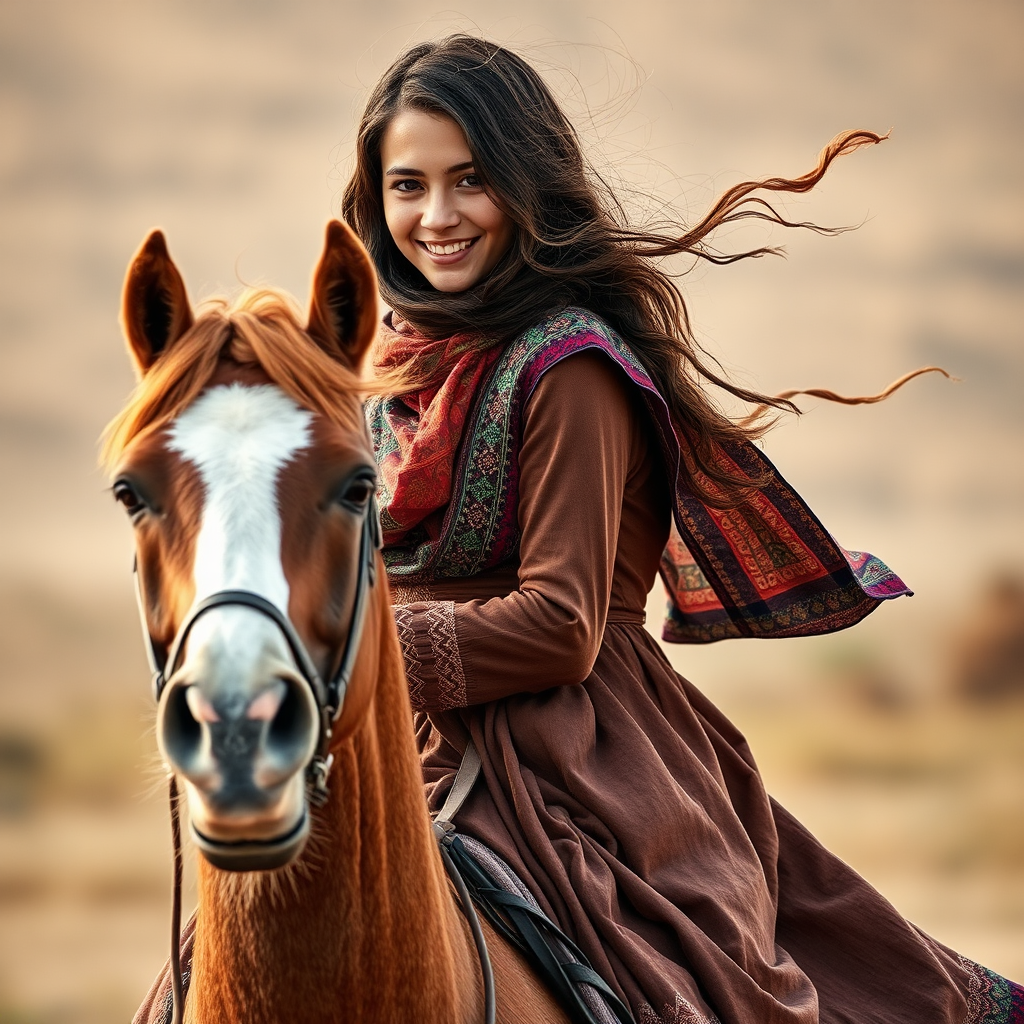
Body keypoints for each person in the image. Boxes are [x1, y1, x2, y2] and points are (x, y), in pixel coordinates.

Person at [343, 35, 1023, 1024]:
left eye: (470, 180)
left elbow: (560, 624)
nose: (436, 216)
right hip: (388, 728)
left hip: (578, 753)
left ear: (524, 187)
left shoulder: (568, 366)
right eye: (408, 185)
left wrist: (354, 645)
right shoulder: (377, 374)